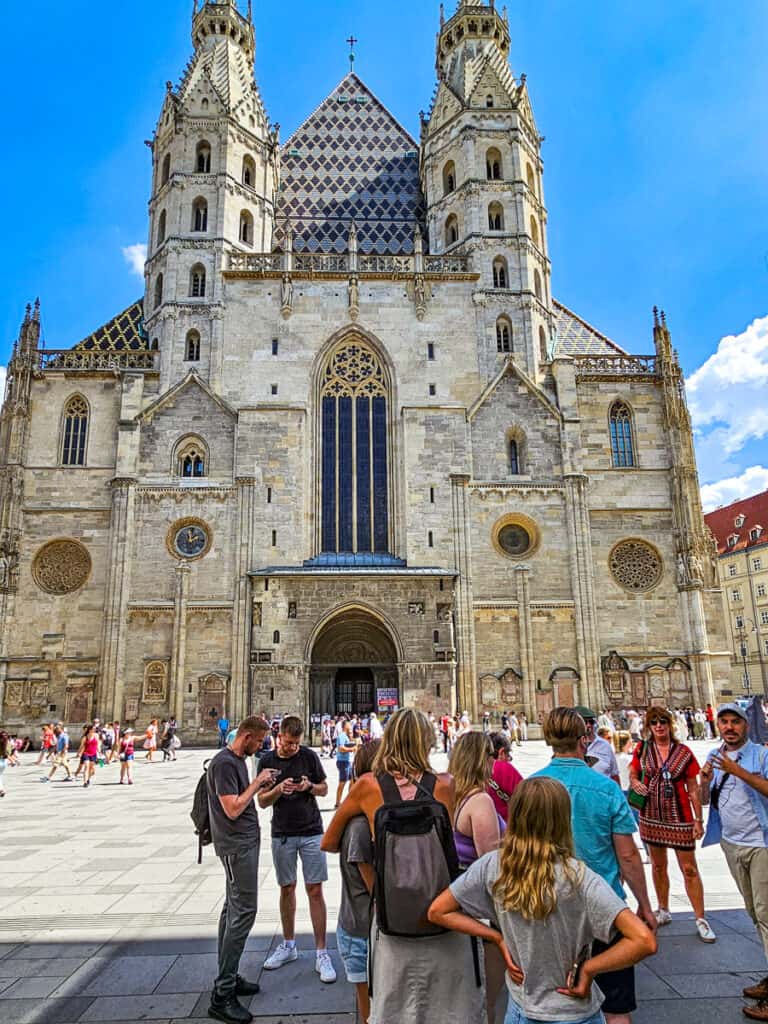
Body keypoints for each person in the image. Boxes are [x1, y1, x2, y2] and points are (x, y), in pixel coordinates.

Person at [429, 777, 657, 1024]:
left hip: (521, 1008)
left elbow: (438, 911)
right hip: (574, 1010)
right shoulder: (580, 878)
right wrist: (590, 968)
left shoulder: (493, 866)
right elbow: (643, 940)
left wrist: (497, 937)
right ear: (563, 820)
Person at [322, 707, 484, 1024]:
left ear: (388, 741)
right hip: (443, 912)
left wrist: (366, 823)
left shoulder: (366, 787)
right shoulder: (445, 785)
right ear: (427, 741)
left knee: (395, 1007)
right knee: (449, 1008)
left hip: (392, 917)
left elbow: (328, 842)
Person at [533, 707, 657, 1024]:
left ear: (548, 740)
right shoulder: (605, 788)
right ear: (584, 738)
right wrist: (644, 905)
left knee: (552, 1003)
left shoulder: (530, 788)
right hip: (604, 907)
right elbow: (628, 856)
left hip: (550, 907)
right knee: (616, 1009)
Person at [206, 715, 276, 1024]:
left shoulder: (234, 761)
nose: (260, 747)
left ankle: (229, 976)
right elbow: (233, 808)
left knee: (231, 910)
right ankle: (222, 996)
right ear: (246, 736)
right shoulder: (224, 763)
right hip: (236, 847)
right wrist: (258, 783)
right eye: (259, 742)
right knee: (244, 912)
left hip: (240, 845)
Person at [701, 703, 768, 1020]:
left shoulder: (762, 755)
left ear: (746, 725)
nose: (729, 727)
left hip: (761, 844)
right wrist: (703, 781)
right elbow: (704, 799)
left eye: (735, 722)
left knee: (767, 915)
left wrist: (738, 771)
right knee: (755, 913)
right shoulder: (714, 755)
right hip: (732, 842)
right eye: (724, 722)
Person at [258, 715, 336, 984]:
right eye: (289, 743)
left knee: (315, 889)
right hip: (282, 833)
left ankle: (322, 952)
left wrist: (309, 787)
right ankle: (289, 945)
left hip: (312, 830)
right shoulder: (267, 761)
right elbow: (262, 801)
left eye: (296, 743)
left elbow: (325, 789)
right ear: (279, 737)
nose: (293, 747)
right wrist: (279, 789)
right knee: (286, 888)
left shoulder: (309, 757)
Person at [628, 704, 715, 943]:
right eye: (654, 722)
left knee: (689, 868)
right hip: (652, 816)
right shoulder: (642, 749)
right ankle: (663, 909)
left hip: (680, 817)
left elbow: (694, 788)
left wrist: (698, 820)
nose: (658, 726)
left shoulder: (684, 752)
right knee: (657, 866)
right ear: (649, 726)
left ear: (669, 725)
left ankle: (700, 918)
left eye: (662, 722)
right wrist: (635, 783)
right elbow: (633, 772)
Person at [450, 731, 507, 1024]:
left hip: (465, 903)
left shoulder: (456, 796)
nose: (494, 760)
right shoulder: (481, 801)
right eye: (490, 755)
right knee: (488, 1004)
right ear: (479, 759)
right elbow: (491, 864)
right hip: (484, 910)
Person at [335, 739, 380, 1024]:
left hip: (364, 929)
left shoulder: (365, 818)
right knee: (370, 1013)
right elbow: (376, 889)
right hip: (361, 932)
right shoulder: (360, 826)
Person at [576, 707, 620, 783]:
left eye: (591, 722)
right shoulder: (568, 747)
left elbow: (614, 774)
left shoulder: (605, 745)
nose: (589, 725)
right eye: (585, 722)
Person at [487, 732, 523, 824]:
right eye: (508, 755)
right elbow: (526, 797)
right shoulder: (504, 768)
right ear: (502, 752)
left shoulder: (476, 770)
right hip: (507, 828)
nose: (509, 759)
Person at [334, 721, 358, 808]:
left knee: (352, 781)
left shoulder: (347, 736)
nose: (350, 726)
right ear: (345, 726)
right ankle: (337, 803)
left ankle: (349, 801)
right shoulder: (341, 736)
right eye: (349, 724)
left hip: (349, 761)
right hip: (343, 762)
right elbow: (341, 748)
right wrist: (352, 749)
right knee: (342, 782)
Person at [79, 724, 99, 788]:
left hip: (93, 754)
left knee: (91, 769)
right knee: (86, 767)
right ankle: (85, 782)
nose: (94, 730)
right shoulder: (85, 737)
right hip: (86, 753)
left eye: (95, 729)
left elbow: (98, 744)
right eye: (93, 729)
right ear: (90, 730)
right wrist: (79, 753)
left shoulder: (96, 735)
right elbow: (82, 746)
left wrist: (99, 751)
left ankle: (88, 779)